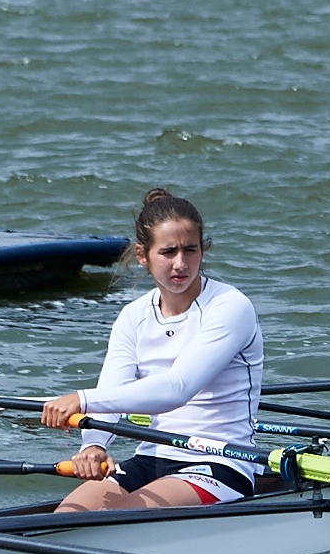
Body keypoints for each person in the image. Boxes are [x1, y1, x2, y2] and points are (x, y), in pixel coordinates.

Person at [38, 188, 265, 510]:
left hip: (220, 463)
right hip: (152, 457)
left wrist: (81, 399)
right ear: (142, 255)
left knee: (115, 520)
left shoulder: (229, 307)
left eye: (190, 250)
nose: (181, 263)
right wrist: (94, 445)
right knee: (67, 516)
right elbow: (112, 390)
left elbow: (177, 388)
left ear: (203, 250)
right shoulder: (133, 316)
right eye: (168, 252)